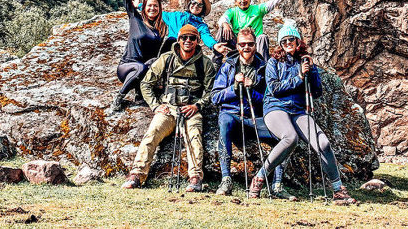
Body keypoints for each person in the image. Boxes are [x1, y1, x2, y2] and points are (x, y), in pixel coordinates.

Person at [248, 23, 356, 204]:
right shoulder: (273, 63)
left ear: (298, 41)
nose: (288, 43)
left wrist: (312, 71)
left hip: (298, 110)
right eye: (284, 41)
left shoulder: (304, 62)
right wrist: (298, 77)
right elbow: (274, 88)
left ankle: (338, 190)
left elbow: (316, 92)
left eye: (291, 39)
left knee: (323, 143)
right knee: (290, 138)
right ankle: (260, 177)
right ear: (280, 44)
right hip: (276, 107)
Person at [122, 24, 216, 192]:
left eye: (192, 38)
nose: (188, 41)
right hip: (168, 109)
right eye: (184, 38)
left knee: (194, 137)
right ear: (178, 39)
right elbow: (146, 84)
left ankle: (195, 177)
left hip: (190, 110)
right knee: (152, 134)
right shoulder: (166, 59)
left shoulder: (205, 63)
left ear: (198, 40)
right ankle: (137, 174)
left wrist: (197, 105)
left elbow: (211, 92)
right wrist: (155, 106)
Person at [210, 28, 295, 199]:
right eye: (242, 44)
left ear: (255, 45)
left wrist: (253, 90)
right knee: (224, 121)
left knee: (285, 136)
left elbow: (269, 98)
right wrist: (234, 88)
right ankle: (226, 179)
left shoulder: (264, 67)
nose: (246, 47)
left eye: (250, 44)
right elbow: (215, 96)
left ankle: (277, 184)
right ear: (237, 45)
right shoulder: (228, 66)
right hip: (233, 116)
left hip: (256, 118)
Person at [105, 0, 170, 113]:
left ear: (159, 9)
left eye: (155, 6)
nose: (152, 8)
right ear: (144, 7)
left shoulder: (160, 29)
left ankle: (141, 92)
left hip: (143, 68)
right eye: (149, 6)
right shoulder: (136, 19)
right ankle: (119, 99)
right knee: (140, 67)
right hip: (127, 68)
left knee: (170, 44)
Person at [215, 0, 301, 64]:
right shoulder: (232, 12)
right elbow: (223, 19)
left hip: (254, 44)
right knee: (223, 28)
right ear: (236, 1)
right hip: (238, 44)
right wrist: (225, 24)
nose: (243, 1)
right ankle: (216, 61)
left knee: (262, 37)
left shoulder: (258, 9)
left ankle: (263, 67)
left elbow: (273, 2)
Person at [139, 0, 231, 61]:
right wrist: (139, 6)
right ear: (189, 4)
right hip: (170, 48)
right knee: (171, 40)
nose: (196, 6)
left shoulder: (201, 26)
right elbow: (157, 12)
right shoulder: (176, 16)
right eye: (194, 3)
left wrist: (214, 45)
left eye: (200, 5)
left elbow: (206, 36)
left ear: (202, 9)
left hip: (187, 50)